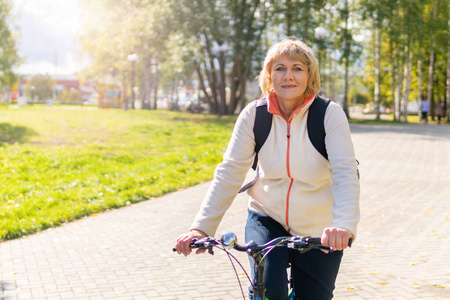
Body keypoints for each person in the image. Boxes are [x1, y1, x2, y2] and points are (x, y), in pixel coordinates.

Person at [174, 37, 360, 300]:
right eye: (279, 68)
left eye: (297, 68)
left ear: (310, 75)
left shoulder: (329, 115)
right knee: (268, 291)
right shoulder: (254, 115)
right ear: (269, 75)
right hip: (267, 217)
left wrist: (344, 226)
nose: (288, 76)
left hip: (320, 225)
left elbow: (345, 172)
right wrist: (202, 227)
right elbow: (230, 172)